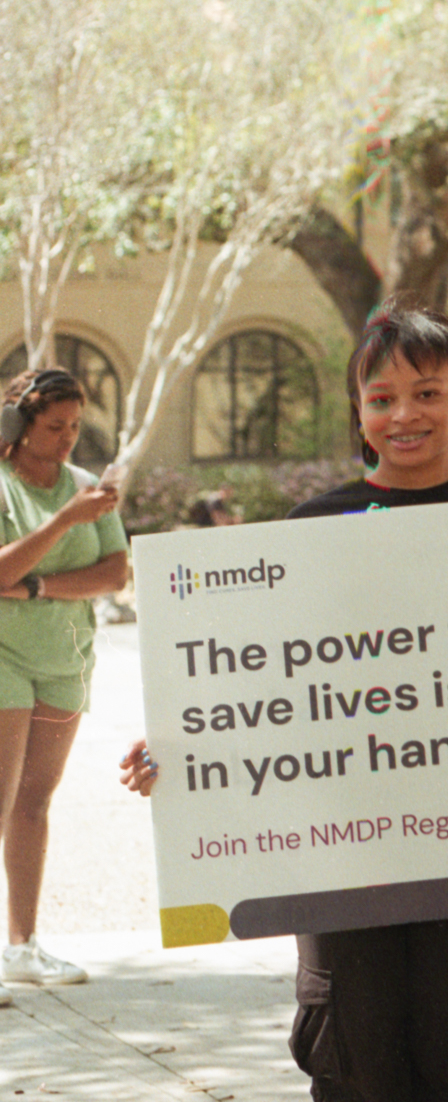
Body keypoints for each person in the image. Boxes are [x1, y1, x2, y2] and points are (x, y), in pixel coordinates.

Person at [123, 299, 448, 1100]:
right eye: (381, 398)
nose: (403, 414)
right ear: (359, 411)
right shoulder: (311, 528)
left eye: (427, 393)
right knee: (356, 1058)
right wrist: (175, 752)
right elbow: (258, 686)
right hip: (337, 849)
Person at [0, 368, 126, 1004]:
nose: (69, 439)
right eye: (55, 427)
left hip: (65, 658)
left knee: (34, 800)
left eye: (76, 427)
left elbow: (115, 572)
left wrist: (41, 587)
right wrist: (62, 524)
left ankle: (21, 946)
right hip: (3, 657)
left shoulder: (86, 487)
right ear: (21, 426)